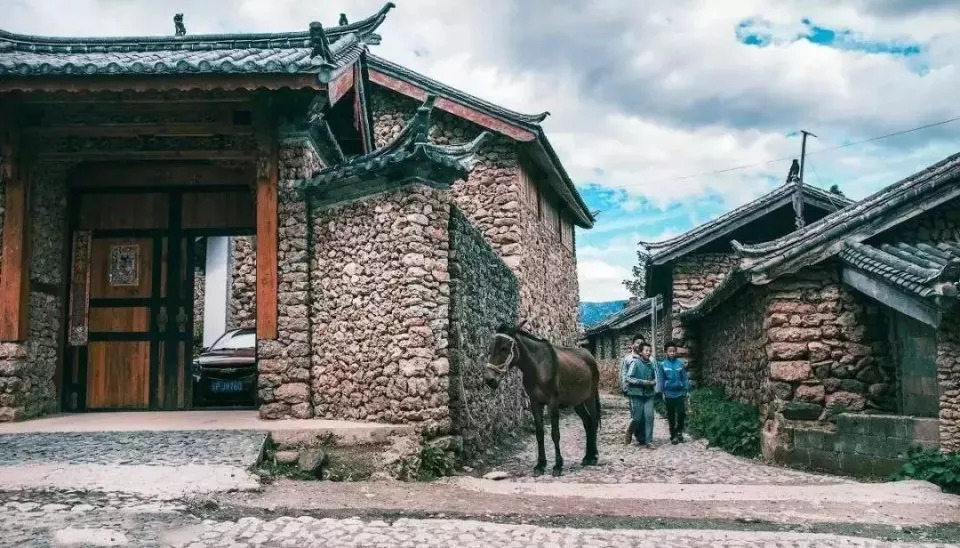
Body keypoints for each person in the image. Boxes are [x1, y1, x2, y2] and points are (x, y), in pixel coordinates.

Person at [625, 341, 657, 449]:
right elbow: (629, 378)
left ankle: (649, 441)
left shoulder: (651, 364)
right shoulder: (635, 363)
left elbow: (652, 377)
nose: (648, 353)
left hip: (648, 394)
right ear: (640, 352)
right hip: (636, 394)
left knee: (650, 417)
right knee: (637, 418)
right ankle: (630, 430)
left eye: (650, 351)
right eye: (646, 350)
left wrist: (653, 382)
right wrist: (643, 382)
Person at [659, 340, 690, 445]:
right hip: (668, 393)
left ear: (676, 352)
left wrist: (686, 389)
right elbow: (661, 379)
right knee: (671, 415)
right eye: (670, 351)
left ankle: (679, 431)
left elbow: (684, 378)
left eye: (673, 351)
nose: (672, 353)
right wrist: (662, 392)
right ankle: (673, 436)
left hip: (680, 393)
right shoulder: (663, 365)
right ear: (666, 352)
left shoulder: (680, 364)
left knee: (681, 413)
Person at [619, 338, 645, 445]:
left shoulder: (645, 357)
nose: (639, 344)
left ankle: (641, 436)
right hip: (633, 390)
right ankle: (631, 432)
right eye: (637, 342)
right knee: (636, 414)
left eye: (641, 343)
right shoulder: (628, 358)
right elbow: (623, 374)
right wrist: (625, 388)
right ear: (632, 344)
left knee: (644, 414)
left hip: (645, 390)